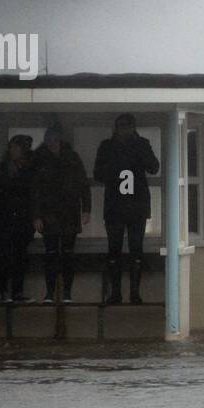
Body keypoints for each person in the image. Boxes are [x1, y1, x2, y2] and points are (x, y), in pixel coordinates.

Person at [93, 113, 160, 303]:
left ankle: (134, 292)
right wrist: (116, 168)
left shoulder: (141, 144)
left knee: (136, 249)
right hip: (115, 205)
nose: (124, 131)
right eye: (121, 127)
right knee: (114, 249)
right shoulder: (107, 146)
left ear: (133, 128)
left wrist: (138, 148)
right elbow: (98, 173)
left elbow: (154, 167)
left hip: (136, 205)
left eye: (128, 127)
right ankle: (115, 292)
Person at [32, 122, 91, 302]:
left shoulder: (72, 158)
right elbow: (34, 189)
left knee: (67, 254)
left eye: (56, 140)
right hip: (48, 213)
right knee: (50, 255)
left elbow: (83, 185)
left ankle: (67, 294)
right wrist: (35, 215)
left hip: (69, 212)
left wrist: (86, 209)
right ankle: (50, 293)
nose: (53, 143)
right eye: (50, 140)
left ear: (61, 141)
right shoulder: (40, 158)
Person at [0, 135, 35, 302]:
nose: (12, 150)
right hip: (6, 218)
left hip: (20, 219)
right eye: (12, 147)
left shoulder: (29, 168)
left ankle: (16, 292)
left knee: (20, 258)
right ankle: (5, 292)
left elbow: (35, 194)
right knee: (5, 258)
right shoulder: (3, 168)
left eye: (16, 147)